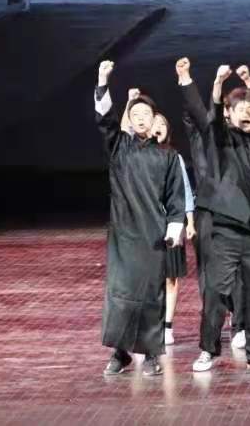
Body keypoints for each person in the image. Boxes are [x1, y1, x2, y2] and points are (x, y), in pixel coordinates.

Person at [178, 60, 250, 374]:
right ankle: (208, 350)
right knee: (216, 291)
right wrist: (216, 84)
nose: (245, 111)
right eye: (239, 108)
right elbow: (208, 116)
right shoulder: (222, 139)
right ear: (230, 113)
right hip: (225, 228)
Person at [93, 61, 186, 378]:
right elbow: (104, 119)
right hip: (123, 237)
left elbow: (175, 199)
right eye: (136, 115)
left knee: (150, 297)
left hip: (153, 238)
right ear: (130, 121)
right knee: (120, 295)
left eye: (146, 114)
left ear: (155, 119)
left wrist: (173, 231)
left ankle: (150, 354)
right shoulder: (119, 147)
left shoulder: (168, 156)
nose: (141, 119)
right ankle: (120, 353)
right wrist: (103, 81)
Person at [147, 113, 196, 347]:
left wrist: (190, 221)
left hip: (171, 224)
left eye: (162, 124)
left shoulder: (174, 157)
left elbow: (185, 189)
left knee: (170, 277)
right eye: (154, 124)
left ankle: (167, 326)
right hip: (147, 225)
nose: (158, 127)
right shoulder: (139, 155)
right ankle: (149, 325)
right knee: (149, 278)